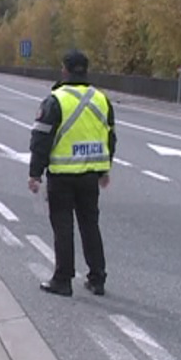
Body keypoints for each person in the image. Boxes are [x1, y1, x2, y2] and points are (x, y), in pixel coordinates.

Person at [27, 49, 116, 297]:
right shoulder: (101, 99)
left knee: (63, 227)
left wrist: (35, 174)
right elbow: (110, 137)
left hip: (62, 176)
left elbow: (41, 139)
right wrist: (105, 169)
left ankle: (62, 279)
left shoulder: (56, 100)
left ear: (64, 70)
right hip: (90, 176)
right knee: (90, 225)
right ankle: (97, 278)